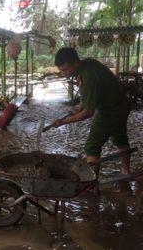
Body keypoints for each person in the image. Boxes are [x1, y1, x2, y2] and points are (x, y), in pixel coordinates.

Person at [52, 47, 131, 177]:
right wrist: (79, 106)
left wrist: (63, 121)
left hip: (109, 110)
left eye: (65, 69)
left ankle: (91, 186)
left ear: (76, 63)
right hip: (121, 105)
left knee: (92, 146)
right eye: (60, 70)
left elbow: (88, 112)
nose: (63, 73)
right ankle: (125, 170)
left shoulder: (88, 77)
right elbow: (92, 93)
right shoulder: (88, 64)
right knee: (120, 138)